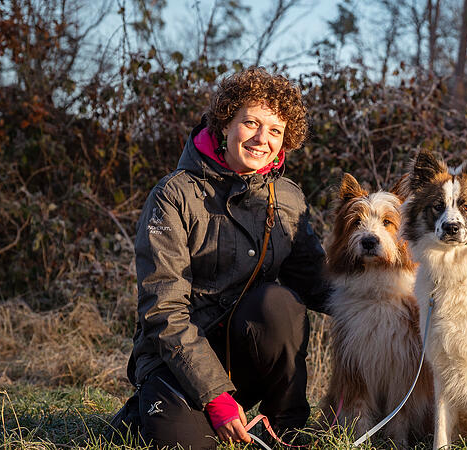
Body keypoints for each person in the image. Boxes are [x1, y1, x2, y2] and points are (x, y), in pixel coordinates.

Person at [110, 67, 330, 449]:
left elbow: (319, 283)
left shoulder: (289, 198)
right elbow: (163, 310)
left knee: (281, 303)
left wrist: (394, 296)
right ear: (226, 123)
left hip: (242, 357)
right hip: (177, 362)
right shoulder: (173, 195)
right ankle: (144, 412)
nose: (262, 139)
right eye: (251, 123)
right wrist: (216, 398)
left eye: (275, 130)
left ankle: (286, 430)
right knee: (191, 444)